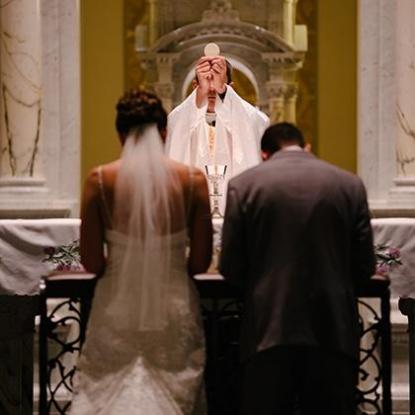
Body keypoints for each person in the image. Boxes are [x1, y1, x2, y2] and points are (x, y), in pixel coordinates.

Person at [70, 89, 213, 414]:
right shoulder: (193, 180)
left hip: (117, 304)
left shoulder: (100, 180)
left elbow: (91, 261)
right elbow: (200, 263)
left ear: (120, 133)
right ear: (164, 132)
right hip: (173, 302)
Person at [219, 122, 376, 415]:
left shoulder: (244, 185)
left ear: (264, 154)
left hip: (268, 329)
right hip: (332, 329)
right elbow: (365, 265)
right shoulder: (349, 184)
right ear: (306, 148)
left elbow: (230, 267)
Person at [166, 55, 269, 182]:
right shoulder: (183, 118)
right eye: (207, 81)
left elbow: (258, 122)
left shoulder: (244, 117)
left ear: (231, 88)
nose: (212, 89)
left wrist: (224, 92)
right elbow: (175, 126)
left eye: (218, 83)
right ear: (195, 86)